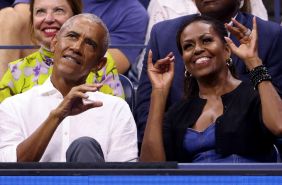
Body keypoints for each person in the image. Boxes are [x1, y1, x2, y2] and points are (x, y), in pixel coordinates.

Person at [136, 0, 282, 146]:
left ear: (227, 50)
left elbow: (278, 123)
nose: (198, 49)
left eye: (206, 40)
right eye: (188, 46)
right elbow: (146, 114)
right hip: (181, 159)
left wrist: (253, 62)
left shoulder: (269, 35)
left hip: (256, 157)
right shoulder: (162, 34)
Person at [0, 13, 138, 162]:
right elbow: (9, 172)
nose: (77, 47)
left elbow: (123, 178)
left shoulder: (116, 110)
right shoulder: (15, 107)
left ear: (99, 65)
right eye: (72, 36)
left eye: (90, 44)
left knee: (84, 146)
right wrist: (56, 116)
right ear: (54, 43)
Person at [0, 0, 124, 103]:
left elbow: (116, 115)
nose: (48, 19)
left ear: (76, 17)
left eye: (59, 10)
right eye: (40, 11)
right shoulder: (17, 70)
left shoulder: (100, 65)